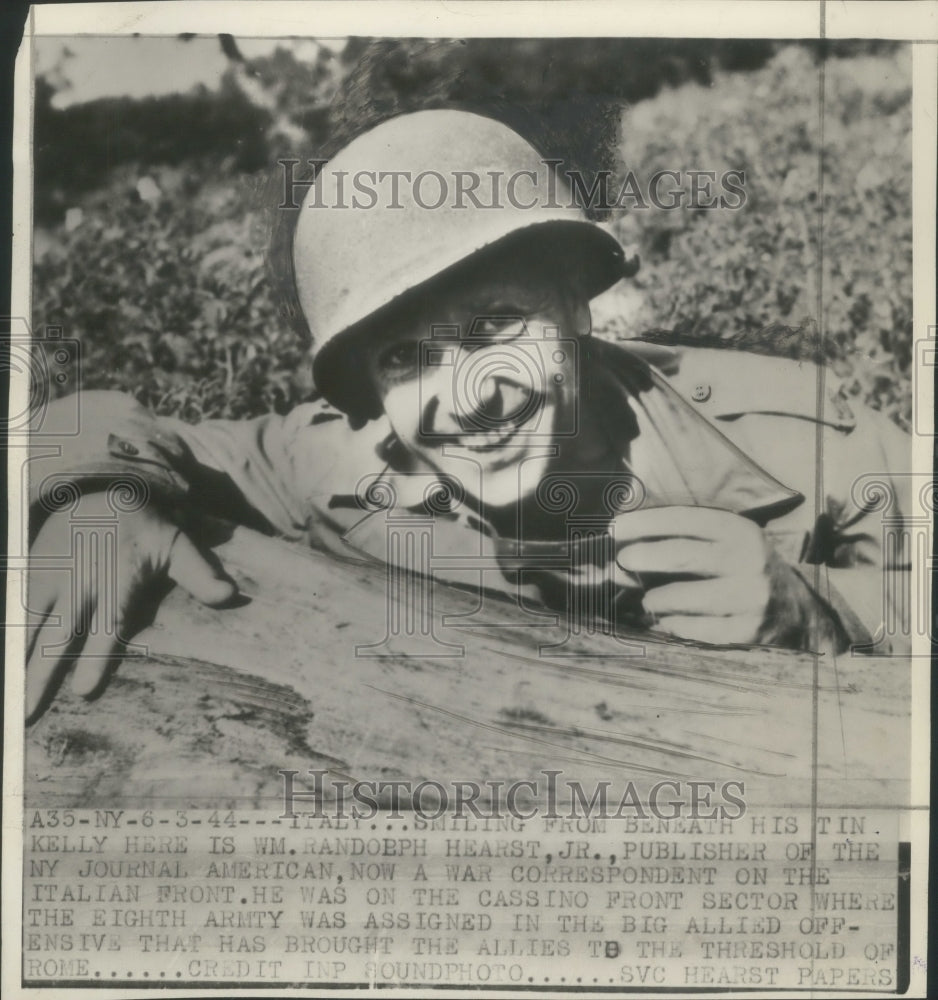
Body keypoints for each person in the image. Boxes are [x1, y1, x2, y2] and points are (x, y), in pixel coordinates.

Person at [26, 109, 911, 722]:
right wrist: (98, 500)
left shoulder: (800, 439)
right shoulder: (339, 466)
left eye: (494, 327)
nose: (466, 399)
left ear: (575, 308)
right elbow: (92, 426)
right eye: (406, 359)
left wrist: (822, 606)